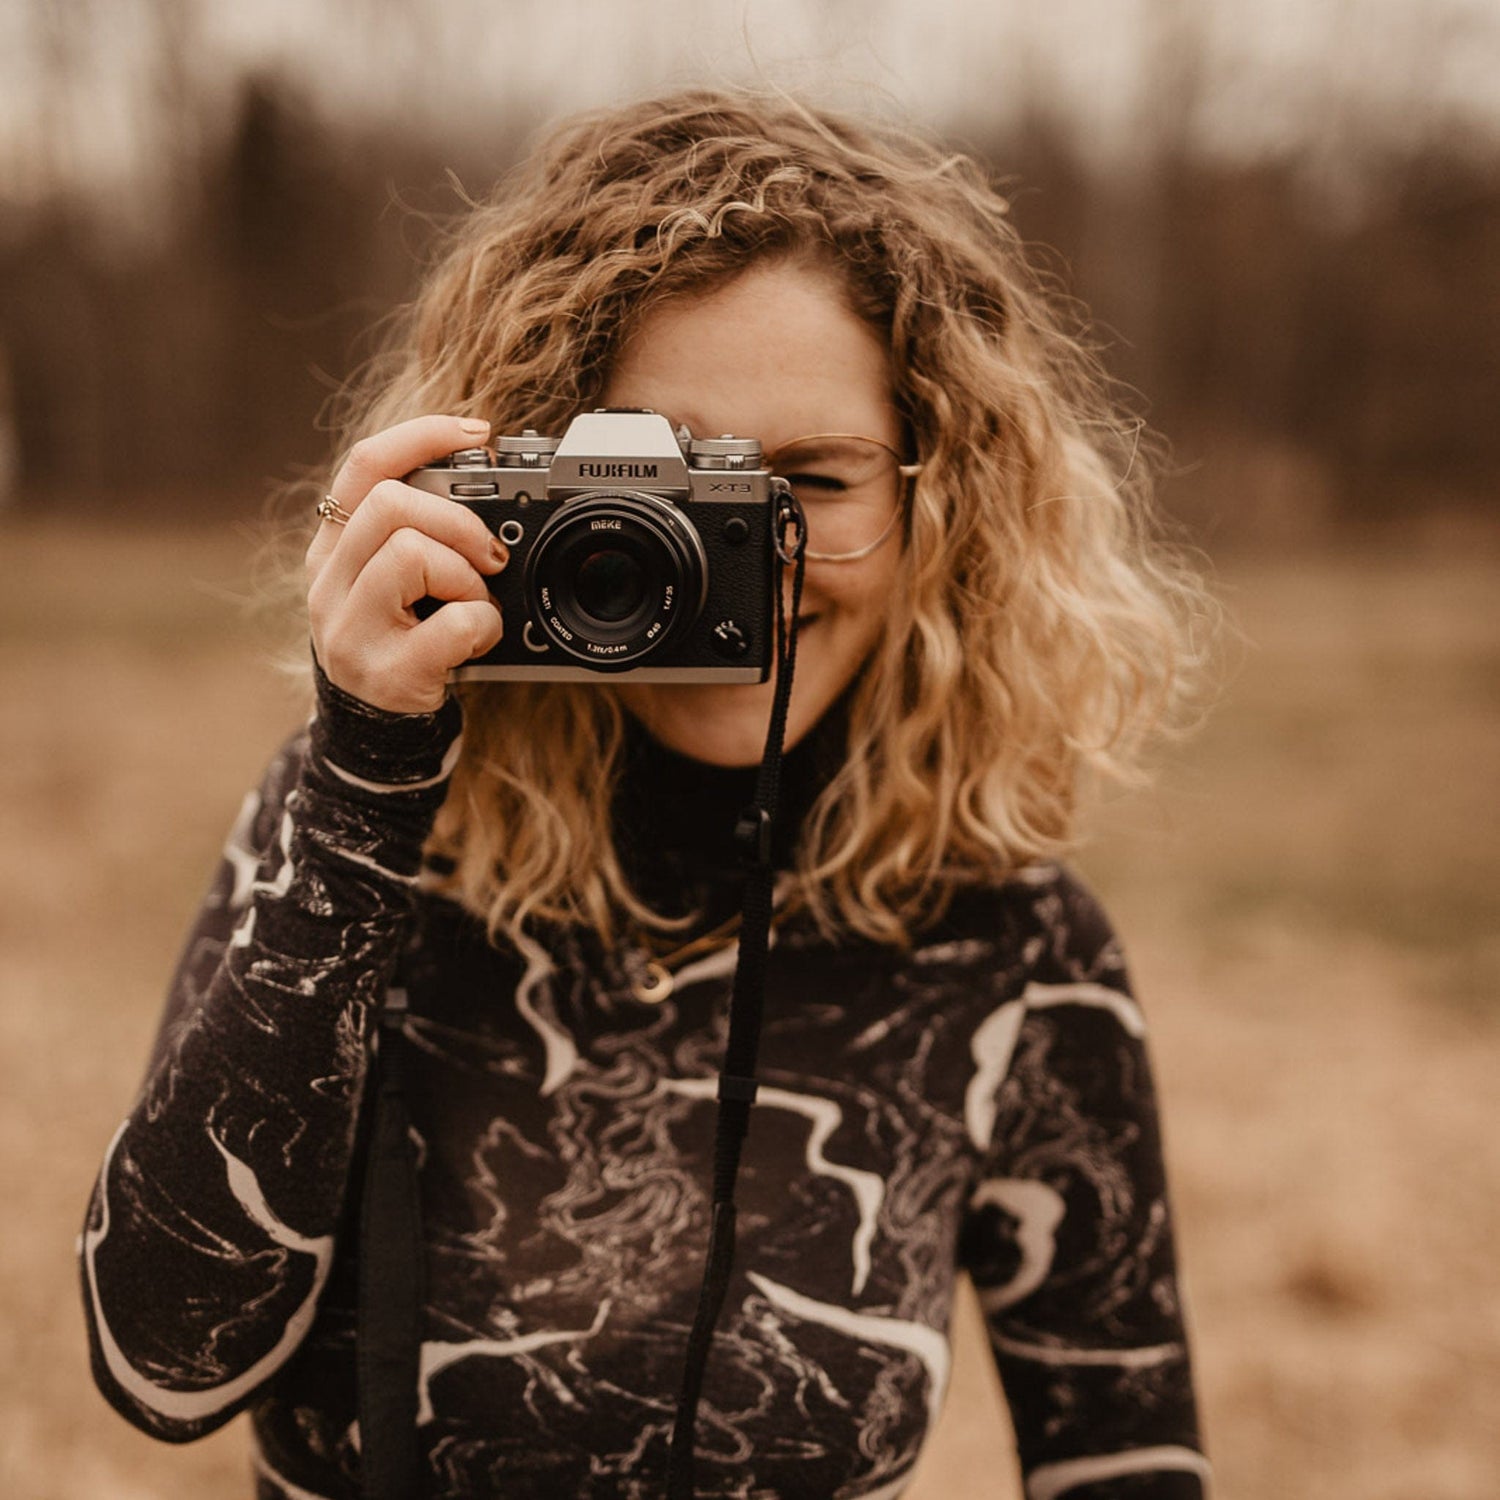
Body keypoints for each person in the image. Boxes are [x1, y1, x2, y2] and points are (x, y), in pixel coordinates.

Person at [80, 89, 1214, 1499]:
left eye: (811, 482)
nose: (738, 563)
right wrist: (366, 785)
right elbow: (158, 1367)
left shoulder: (1015, 954)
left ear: (944, 500)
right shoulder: (363, 850)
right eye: (663, 491)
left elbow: (1129, 1471)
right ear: (516, 492)